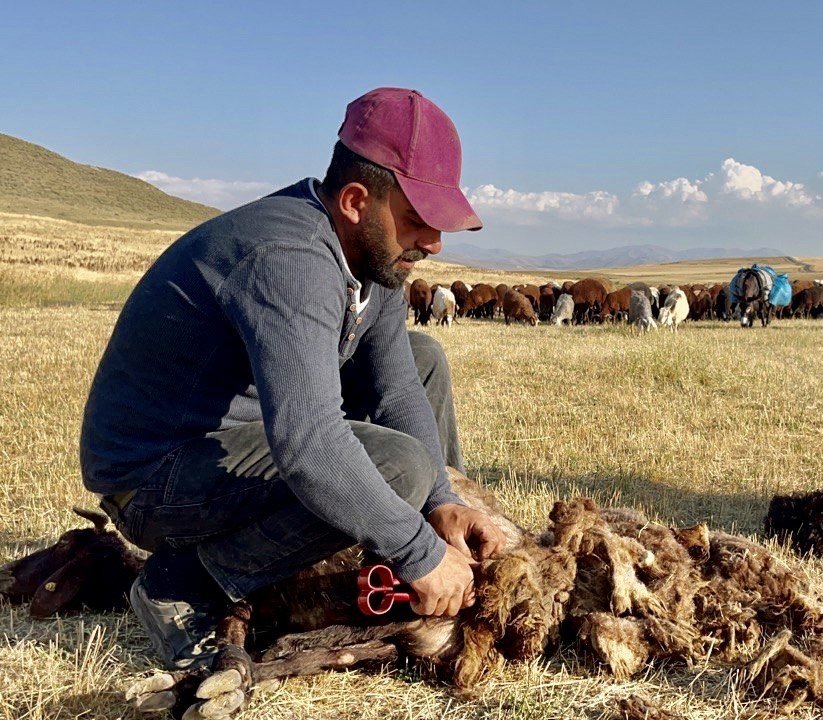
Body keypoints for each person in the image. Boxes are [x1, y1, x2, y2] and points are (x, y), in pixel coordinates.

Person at [80, 87, 505, 669]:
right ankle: (188, 583)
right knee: (397, 463)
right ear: (356, 201)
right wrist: (417, 551)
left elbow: (398, 386)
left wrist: (441, 503)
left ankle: (409, 531)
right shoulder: (288, 256)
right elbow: (308, 444)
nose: (433, 243)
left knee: (424, 357)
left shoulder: (372, 260)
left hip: (239, 449)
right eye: (418, 222)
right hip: (156, 479)